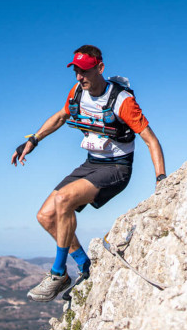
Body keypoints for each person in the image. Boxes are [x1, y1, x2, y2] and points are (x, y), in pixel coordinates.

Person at [11, 45, 166, 302]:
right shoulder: (77, 93)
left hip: (117, 168)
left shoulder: (122, 101)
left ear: (100, 68)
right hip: (92, 163)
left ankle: (58, 273)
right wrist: (33, 140)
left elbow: (151, 140)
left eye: (84, 71)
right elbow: (60, 117)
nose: (79, 77)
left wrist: (161, 180)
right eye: (76, 71)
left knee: (63, 200)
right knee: (46, 216)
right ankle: (85, 266)